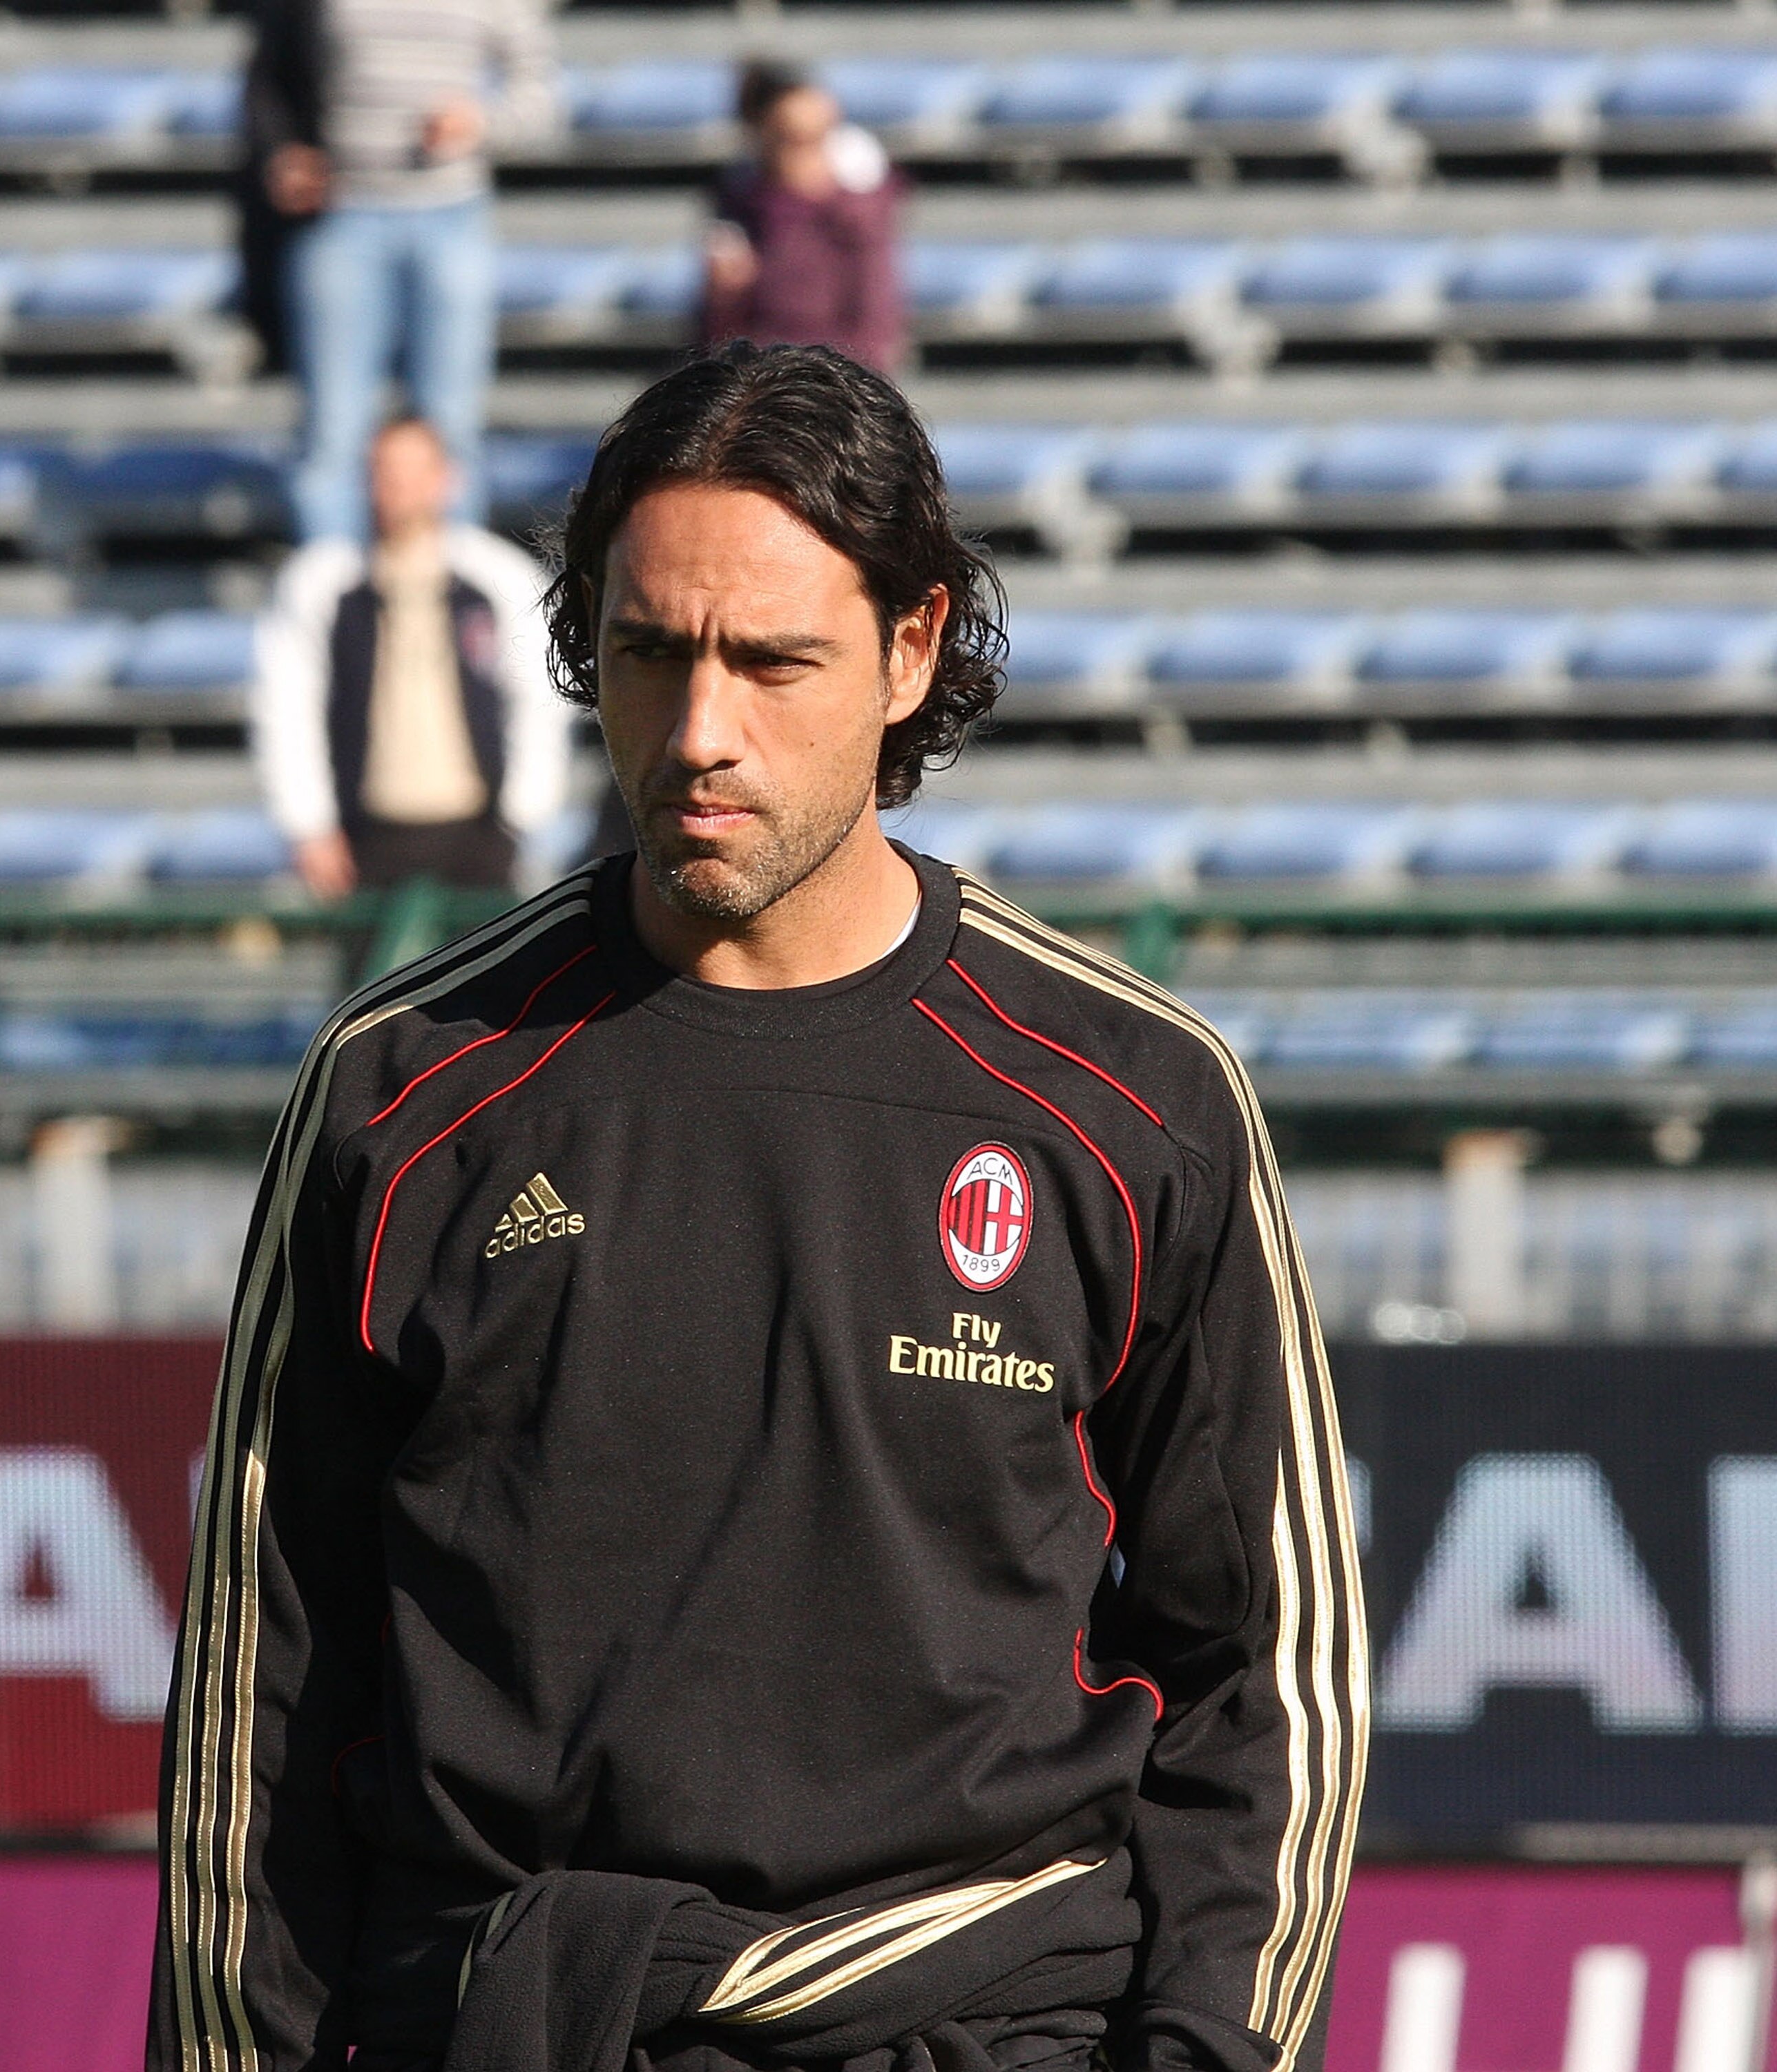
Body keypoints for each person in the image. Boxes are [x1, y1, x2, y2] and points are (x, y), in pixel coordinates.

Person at [153, 345, 1366, 2072]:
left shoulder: (1133, 1101)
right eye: (650, 653)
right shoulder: (400, 1089)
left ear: (912, 647)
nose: (701, 729)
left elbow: (1269, 1670)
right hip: (520, 2013)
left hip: (977, 2013)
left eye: (771, 660)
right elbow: (260, 1693)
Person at [243, 0, 558, 537]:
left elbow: (543, 102)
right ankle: (333, 604)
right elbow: (271, 72)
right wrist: (282, 152)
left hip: (452, 217)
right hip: (342, 217)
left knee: (449, 431)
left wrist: (479, 123)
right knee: (333, 435)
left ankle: (449, 603)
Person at [251, 413, 569, 899]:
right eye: (384, 471)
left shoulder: (498, 579)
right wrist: (309, 825)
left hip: (478, 835)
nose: (398, 487)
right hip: (368, 837)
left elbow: (539, 697)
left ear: (447, 479)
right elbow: (288, 706)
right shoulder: (323, 583)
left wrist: (520, 815)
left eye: (413, 470)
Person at [701, 61, 906, 375]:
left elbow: (875, 329)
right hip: (756, 384)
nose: (809, 153)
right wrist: (726, 300)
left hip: (831, 388)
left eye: (819, 136)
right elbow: (715, 342)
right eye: (793, 139)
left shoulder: (860, 216)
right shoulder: (740, 208)